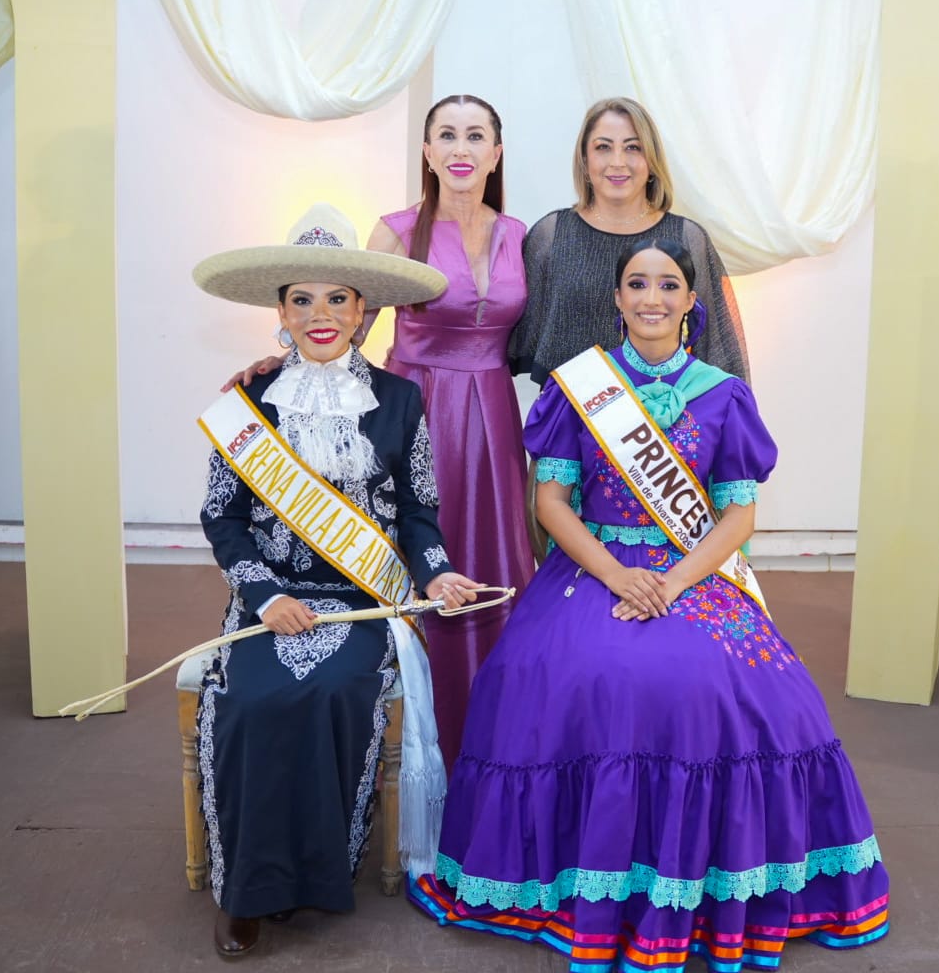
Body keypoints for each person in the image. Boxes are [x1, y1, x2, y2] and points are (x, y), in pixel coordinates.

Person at [410, 238, 889, 971]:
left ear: (691, 301)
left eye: (668, 285)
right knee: (563, 675)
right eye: (637, 283)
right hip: (592, 566)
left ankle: (708, 883)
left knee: (748, 693)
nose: (652, 298)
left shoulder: (722, 394)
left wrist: (671, 583)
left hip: (688, 572)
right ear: (617, 298)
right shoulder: (580, 387)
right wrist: (615, 575)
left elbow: (738, 516)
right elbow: (551, 501)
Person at [193, 203, 480, 958]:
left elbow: (419, 513)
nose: (319, 314)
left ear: (361, 311)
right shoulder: (246, 403)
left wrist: (437, 576)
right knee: (252, 700)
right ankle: (246, 890)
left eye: (337, 299)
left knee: (332, 694)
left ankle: (314, 875)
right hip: (270, 600)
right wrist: (265, 596)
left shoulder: (400, 401)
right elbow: (223, 518)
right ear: (280, 313)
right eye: (302, 299)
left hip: (361, 603)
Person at [225, 95, 534, 772]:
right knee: (418, 543)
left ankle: (496, 739)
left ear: (496, 152)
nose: (460, 148)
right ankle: (421, 738)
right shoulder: (396, 231)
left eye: (474, 135)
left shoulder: (521, 236)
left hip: (492, 418)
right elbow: (340, 325)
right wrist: (277, 363)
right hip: (416, 406)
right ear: (426, 151)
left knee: (494, 558)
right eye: (445, 134)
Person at [509, 96, 751, 387]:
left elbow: (720, 354)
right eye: (603, 147)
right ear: (584, 160)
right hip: (567, 410)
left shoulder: (687, 237)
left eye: (633, 147)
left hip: (662, 410)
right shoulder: (550, 235)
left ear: (651, 160)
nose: (617, 162)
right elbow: (502, 331)